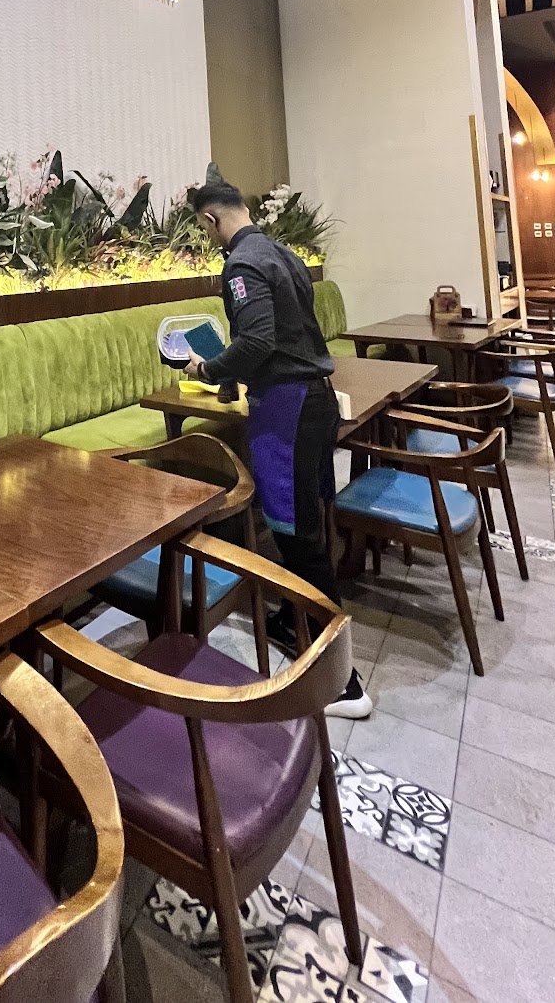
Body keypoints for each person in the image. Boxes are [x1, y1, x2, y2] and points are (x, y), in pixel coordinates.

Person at [185, 177, 372, 719]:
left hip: (285, 407)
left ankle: (342, 683)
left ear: (210, 220)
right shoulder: (283, 253)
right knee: (306, 524)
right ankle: (297, 619)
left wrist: (208, 368)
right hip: (316, 399)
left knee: (296, 534)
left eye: (204, 229)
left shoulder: (241, 264)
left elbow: (258, 341)